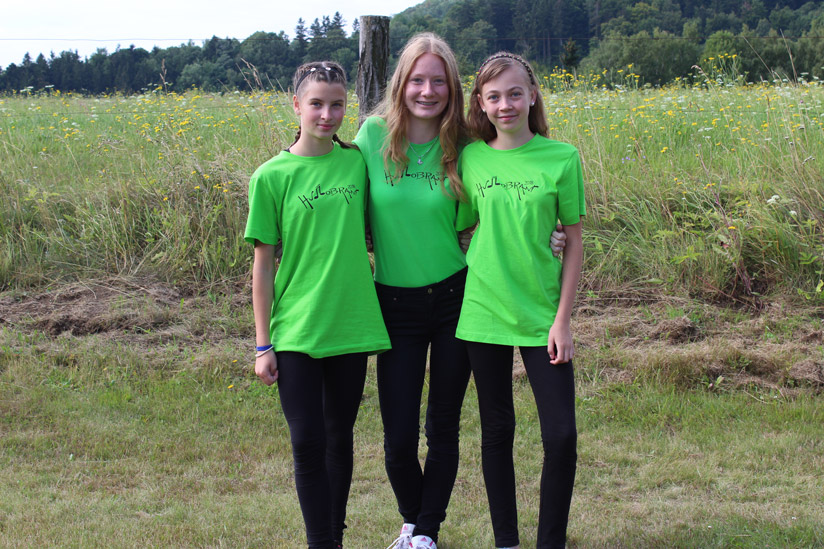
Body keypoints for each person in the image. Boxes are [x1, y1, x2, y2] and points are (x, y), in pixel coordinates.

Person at [245, 61, 390, 549]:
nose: (327, 115)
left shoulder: (357, 163)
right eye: (316, 104)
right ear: (296, 106)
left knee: (339, 438)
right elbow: (263, 266)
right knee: (307, 442)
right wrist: (263, 343)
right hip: (297, 328)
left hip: (350, 322)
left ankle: (334, 537)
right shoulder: (271, 176)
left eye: (337, 105)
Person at [457, 52, 586, 549]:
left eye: (514, 93)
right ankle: (506, 541)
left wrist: (563, 321)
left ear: (532, 95)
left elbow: (574, 241)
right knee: (497, 430)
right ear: (480, 103)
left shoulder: (562, 157)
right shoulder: (470, 158)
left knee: (561, 436)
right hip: (483, 310)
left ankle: (550, 542)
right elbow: (461, 227)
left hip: (542, 315)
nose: (505, 105)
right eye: (494, 96)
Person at [353, 33, 472, 549]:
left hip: (454, 299)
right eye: (418, 80)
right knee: (398, 437)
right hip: (394, 305)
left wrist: (552, 234)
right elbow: (340, 201)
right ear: (401, 83)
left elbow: (498, 211)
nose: (427, 91)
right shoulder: (371, 136)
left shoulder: (465, 145)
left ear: (452, 88)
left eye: (438, 81)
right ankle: (413, 518)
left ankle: (424, 533)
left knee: (442, 428)